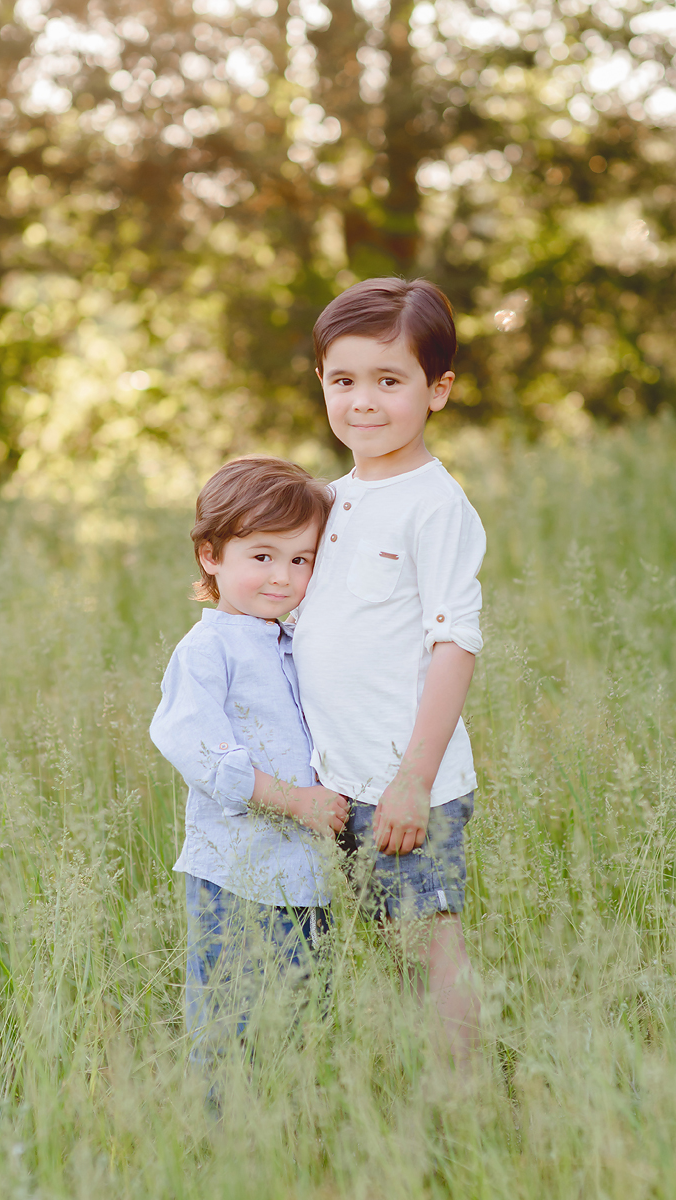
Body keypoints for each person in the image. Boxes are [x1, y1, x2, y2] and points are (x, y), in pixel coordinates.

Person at [292, 277, 486, 1069]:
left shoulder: (433, 506)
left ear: (436, 390)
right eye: (344, 380)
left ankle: (466, 1103)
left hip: (407, 783)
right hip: (340, 785)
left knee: (429, 949)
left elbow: (454, 645)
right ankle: (416, 1084)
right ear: (321, 385)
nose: (363, 402)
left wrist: (412, 778)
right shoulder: (326, 500)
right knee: (388, 947)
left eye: (388, 380)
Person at [149, 457, 349, 1092]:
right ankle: (222, 1145)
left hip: (301, 875)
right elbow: (196, 748)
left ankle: (286, 1138)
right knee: (233, 1020)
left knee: (299, 1015)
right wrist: (295, 802)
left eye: (301, 560)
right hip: (236, 872)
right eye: (262, 556)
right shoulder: (208, 649)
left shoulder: (295, 641)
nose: (283, 577)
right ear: (211, 555)